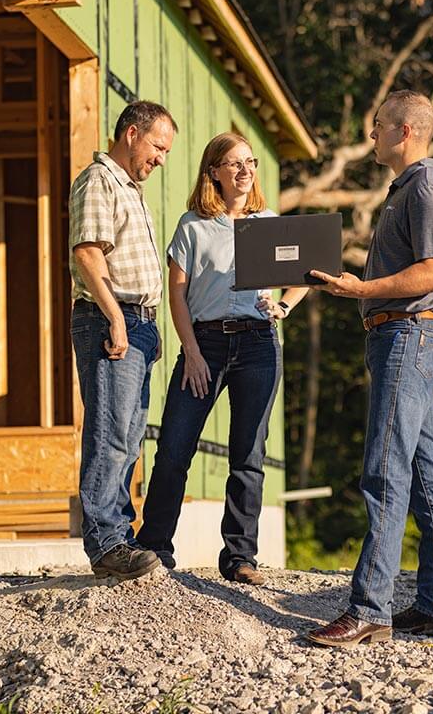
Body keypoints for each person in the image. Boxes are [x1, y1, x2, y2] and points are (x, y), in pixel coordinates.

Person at [306, 90, 433, 646]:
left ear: (404, 132)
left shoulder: (425, 189)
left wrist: (361, 289)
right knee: (423, 470)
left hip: (409, 337)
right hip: (399, 338)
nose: (370, 135)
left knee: (386, 471)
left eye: (376, 127)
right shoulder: (403, 191)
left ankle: (370, 608)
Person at [137, 132, 309, 585]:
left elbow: (308, 274)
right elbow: (176, 294)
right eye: (233, 163)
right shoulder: (192, 225)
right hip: (206, 345)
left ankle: (239, 557)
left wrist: (284, 307)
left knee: (248, 453)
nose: (245, 170)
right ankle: (154, 547)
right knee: (174, 448)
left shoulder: (269, 223)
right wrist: (190, 351)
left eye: (249, 162)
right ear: (213, 171)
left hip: (258, 345)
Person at [69, 100, 177, 579]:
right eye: (157, 147)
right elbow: (88, 254)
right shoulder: (99, 181)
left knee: (130, 437)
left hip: (140, 323)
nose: (160, 158)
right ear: (131, 134)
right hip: (111, 318)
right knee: (110, 434)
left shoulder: (129, 189)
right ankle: (106, 543)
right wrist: (115, 317)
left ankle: (118, 535)